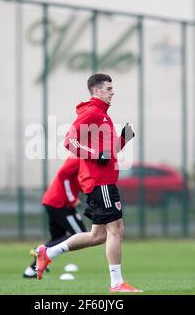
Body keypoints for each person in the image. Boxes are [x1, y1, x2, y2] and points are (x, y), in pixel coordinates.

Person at [34, 74, 142, 293]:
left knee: (98, 236)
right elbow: (68, 141)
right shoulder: (91, 111)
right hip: (99, 182)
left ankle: (48, 252)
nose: (113, 92)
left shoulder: (103, 115)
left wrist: (122, 139)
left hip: (104, 181)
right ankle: (117, 284)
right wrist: (94, 154)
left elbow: (108, 154)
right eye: (109, 88)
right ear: (96, 91)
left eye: (113, 88)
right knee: (116, 229)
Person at [23, 156, 86, 278]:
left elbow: (78, 181)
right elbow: (63, 175)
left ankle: (30, 271)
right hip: (59, 203)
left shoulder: (88, 158)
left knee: (57, 238)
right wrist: (72, 199)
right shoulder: (79, 157)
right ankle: (42, 250)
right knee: (80, 234)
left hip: (54, 202)